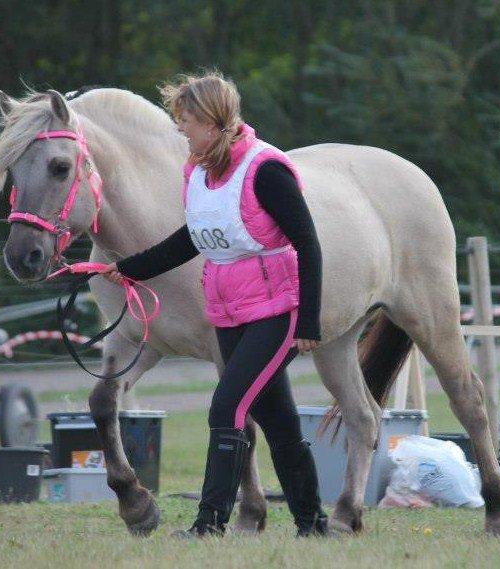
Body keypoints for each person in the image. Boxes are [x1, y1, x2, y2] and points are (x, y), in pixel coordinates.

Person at [98, 71, 328, 537]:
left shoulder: (267, 170)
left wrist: (309, 319)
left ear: (212, 119)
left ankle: (209, 524)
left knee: (225, 409)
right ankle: (314, 525)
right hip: (229, 312)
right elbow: (192, 239)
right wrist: (129, 268)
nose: (180, 130)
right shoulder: (200, 173)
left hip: (275, 314)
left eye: (186, 120)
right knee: (280, 424)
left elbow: (307, 241)